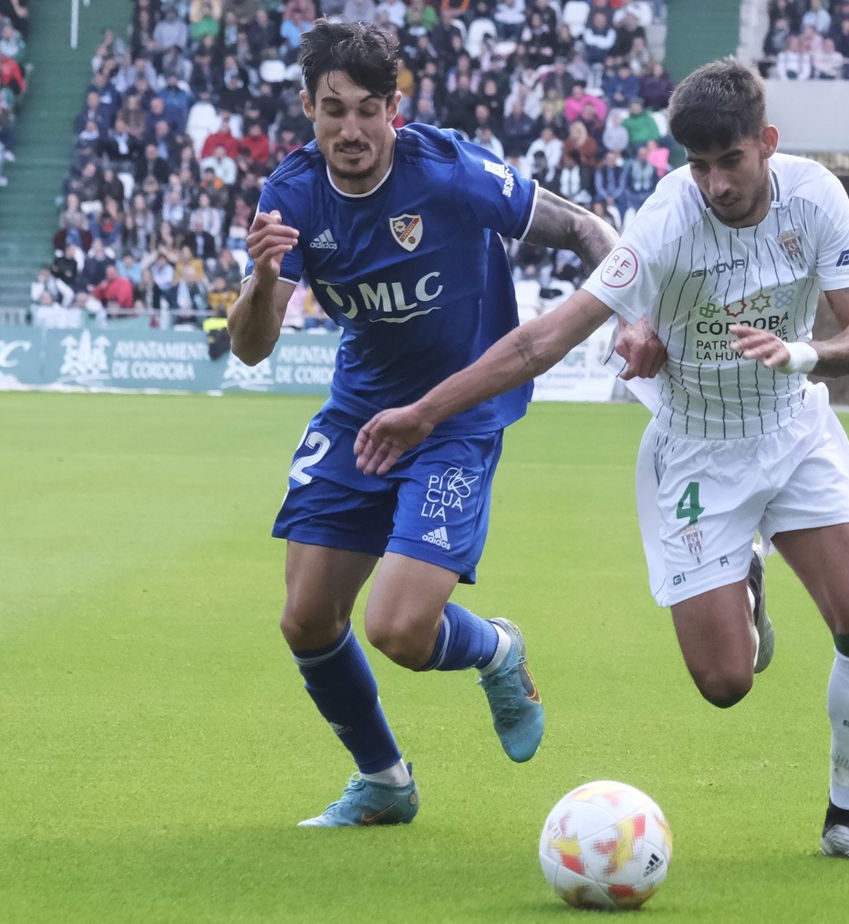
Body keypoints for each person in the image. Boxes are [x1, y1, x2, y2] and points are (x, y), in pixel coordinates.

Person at [356, 58, 849, 864]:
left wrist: (796, 355)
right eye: (698, 165)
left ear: (766, 143)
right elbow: (540, 340)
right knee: (725, 682)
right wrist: (423, 413)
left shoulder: (818, 197)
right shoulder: (665, 220)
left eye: (730, 160)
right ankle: (746, 577)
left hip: (795, 428)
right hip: (695, 450)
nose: (716, 183)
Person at [227, 21, 622, 829]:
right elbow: (253, 348)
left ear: (394, 111)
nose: (351, 130)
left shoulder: (447, 169)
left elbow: (583, 229)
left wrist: (631, 305)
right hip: (361, 415)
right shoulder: (292, 195)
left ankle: (497, 650)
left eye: (369, 109)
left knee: (401, 631)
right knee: (306, 618)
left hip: (456, 418)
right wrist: (262, 273)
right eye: (332, 110)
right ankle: (384, 782)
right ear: (307, 108)